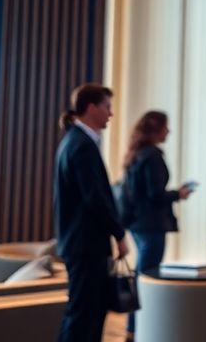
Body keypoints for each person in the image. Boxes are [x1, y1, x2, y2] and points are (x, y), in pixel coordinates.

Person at [54, 83, 128, 342]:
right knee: (84, 315)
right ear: (91, 107)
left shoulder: (75, 141)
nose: (111, 113)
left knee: (89, 313)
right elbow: (94, 198)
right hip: (86, 246)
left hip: (82, 245)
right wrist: (119, 233)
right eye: (107, 107)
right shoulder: (82, 145)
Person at [122, 111, 193, 339]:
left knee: (142, 274)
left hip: (137, 223)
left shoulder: (136, 154)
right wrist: (178, 194)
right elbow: (155, 194)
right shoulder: (152, 156)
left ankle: (134, 328)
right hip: (151, 224)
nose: (169, 131)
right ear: (156, 129)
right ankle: (138, 328)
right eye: (166, 127)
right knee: (146, 277)